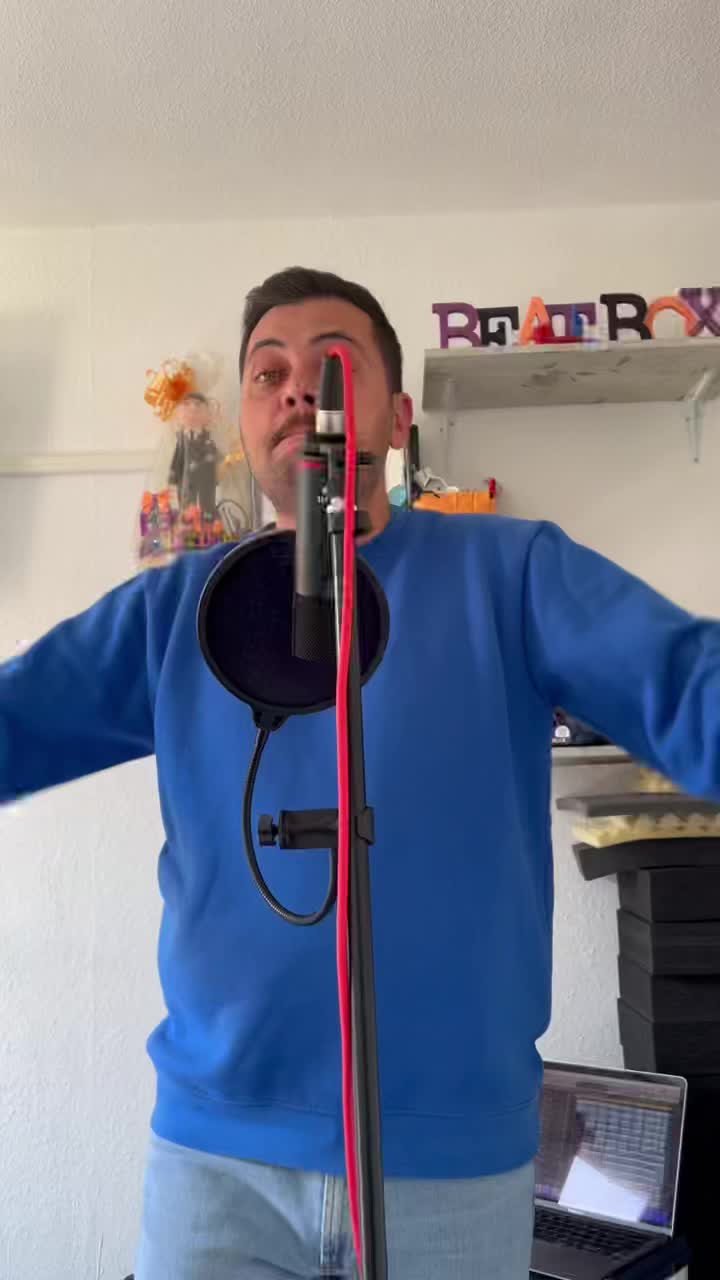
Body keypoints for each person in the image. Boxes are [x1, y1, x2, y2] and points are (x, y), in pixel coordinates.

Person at [2, 267, 720, 1280]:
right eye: (267, 373)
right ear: (247, 421)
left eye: (332, 364)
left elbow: (687, 684)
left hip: (456, 1167)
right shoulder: (173, 610)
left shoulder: (513, 572)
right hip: (219, 1165)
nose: (298, 388)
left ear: (396, 413)